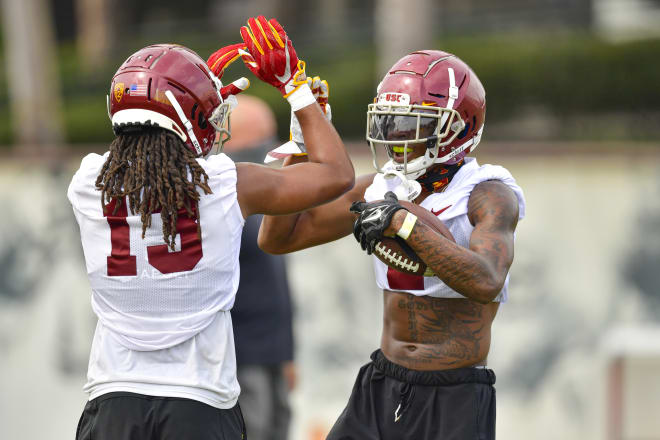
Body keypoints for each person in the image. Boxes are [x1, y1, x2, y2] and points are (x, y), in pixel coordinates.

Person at [68, 16, 354, 440]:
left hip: (112, 398)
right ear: (191, 120)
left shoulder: (87, 181)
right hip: (197, 401)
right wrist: (296, 88)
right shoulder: (226, 183)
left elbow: (155, 153)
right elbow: (337, 174)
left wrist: (192, 97)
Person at [258, 50, 526, 439]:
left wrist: (402, 220)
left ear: (458, 129)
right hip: (382, 381)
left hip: (453, 394)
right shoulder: (381, 186)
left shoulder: (487, 194)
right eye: (391, 122)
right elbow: (279, 238)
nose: (396, 136)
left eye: (412, 123)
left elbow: (487, 281)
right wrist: (300, 151)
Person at [224, 94, 296, 440]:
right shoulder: (221, 203)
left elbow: (277, 286)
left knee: (277, 428)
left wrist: (288, 353)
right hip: (239, 355)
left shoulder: (265, 194)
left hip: (272, 352)